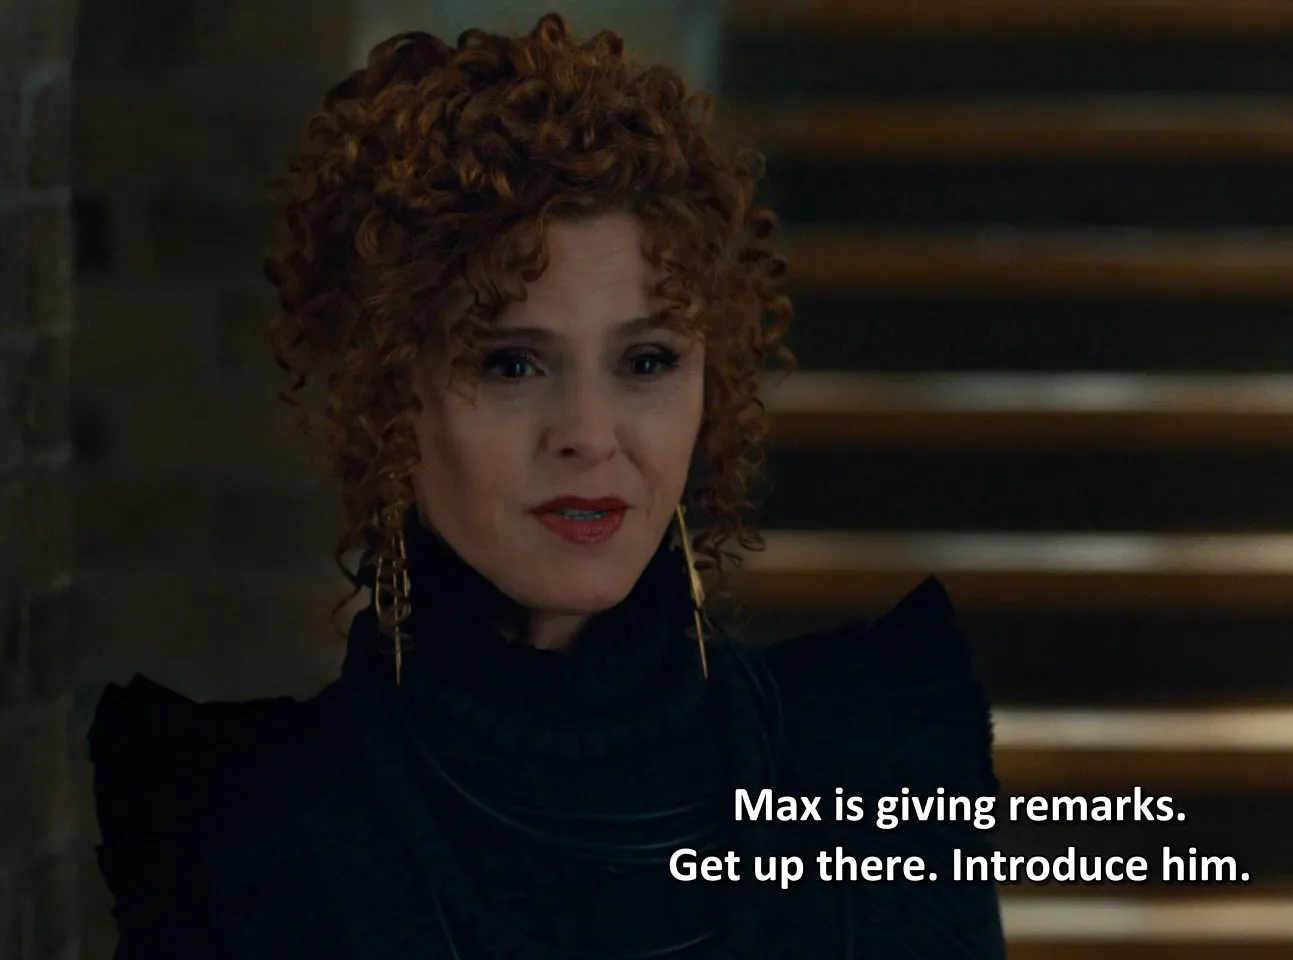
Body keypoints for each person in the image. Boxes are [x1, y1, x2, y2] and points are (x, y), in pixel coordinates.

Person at [87, 13, 1006, 959]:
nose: (589, 437)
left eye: (646, 362)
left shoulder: (880, 764)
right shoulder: (241, 831)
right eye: (513, 365)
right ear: (390, 398)